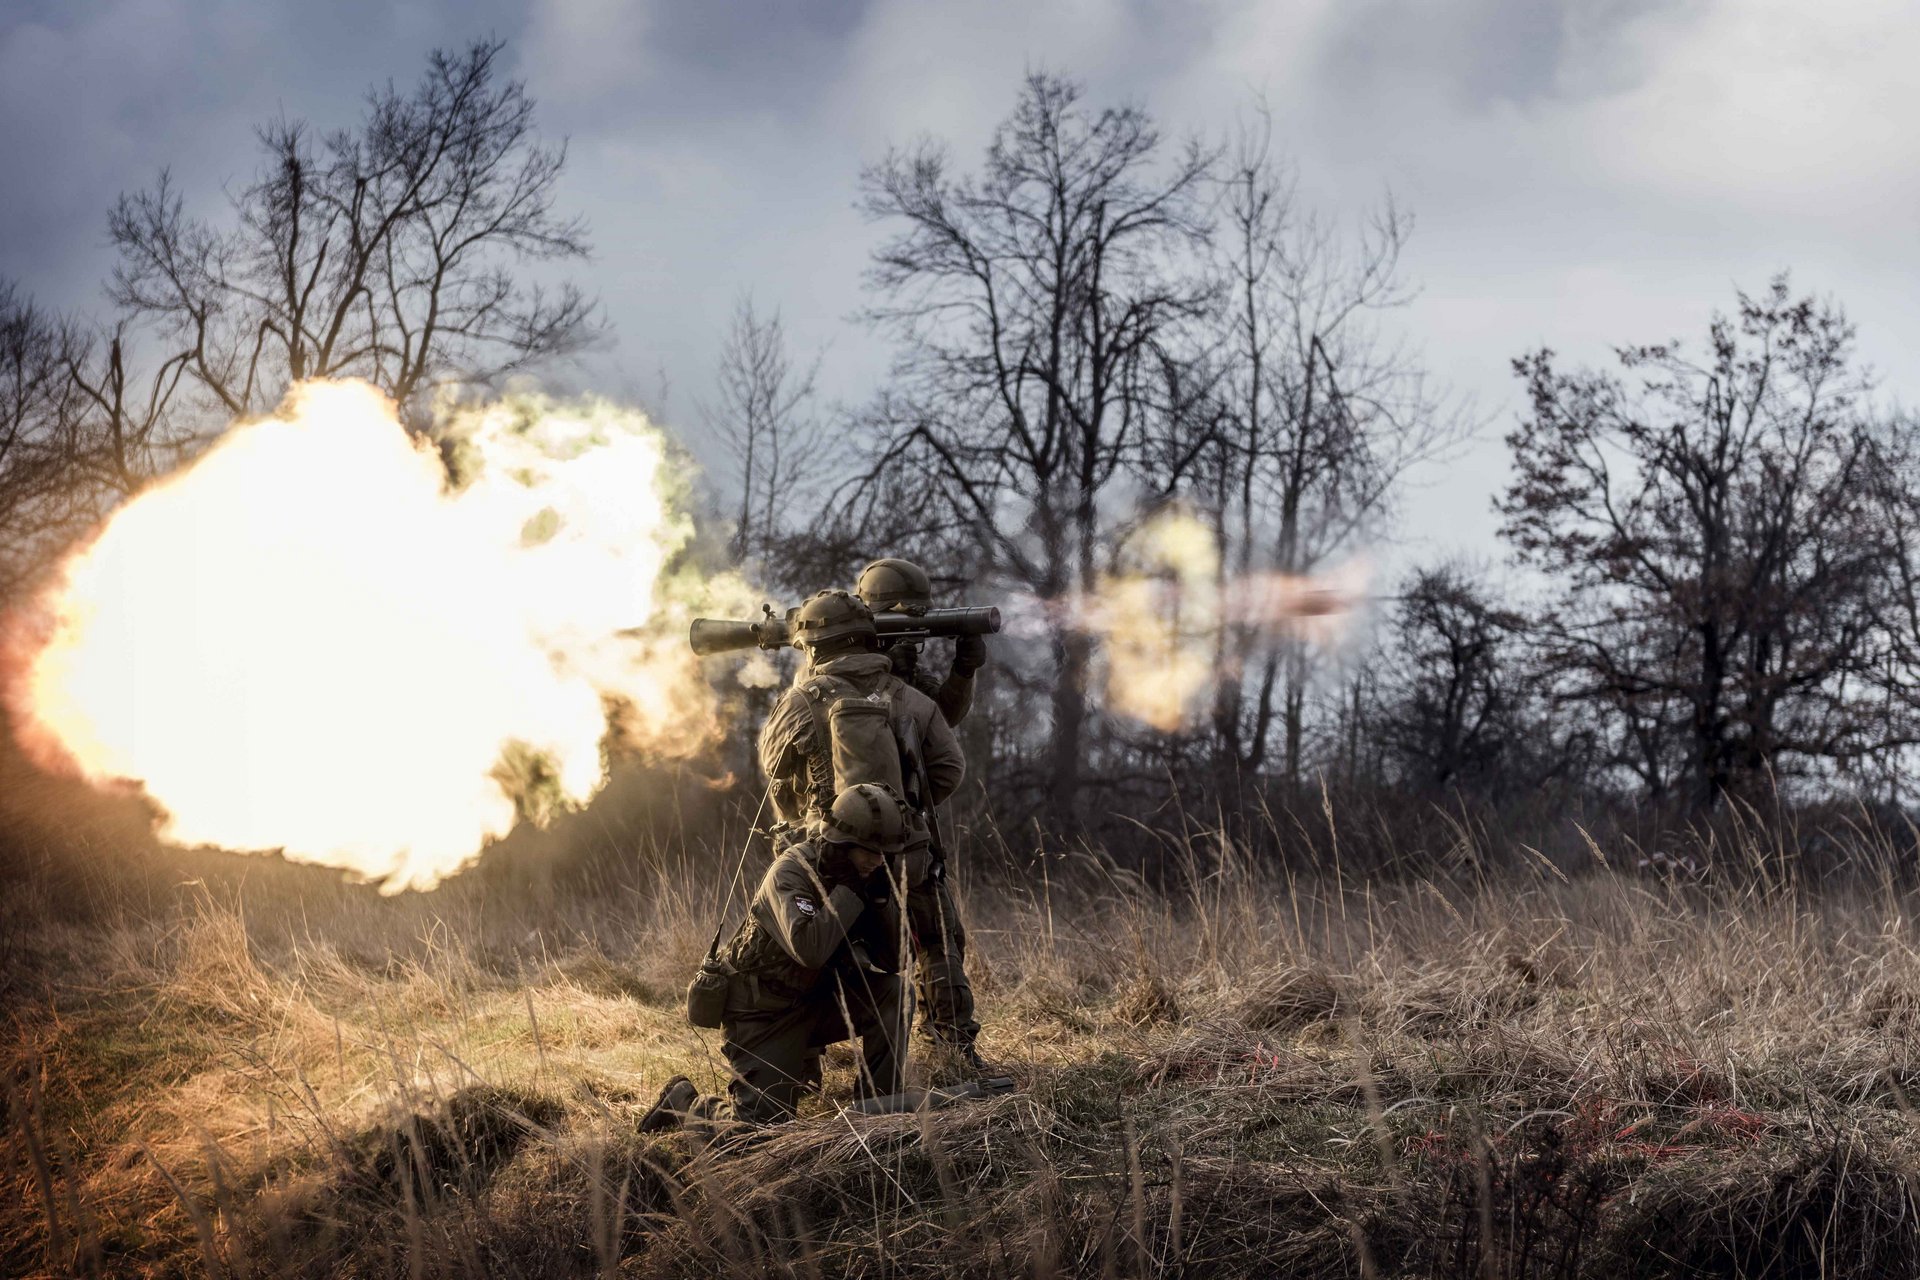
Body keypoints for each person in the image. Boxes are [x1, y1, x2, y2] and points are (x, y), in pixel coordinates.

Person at [759, 585, 985, 1069]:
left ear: (813, 648)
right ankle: (954, 1052)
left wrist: (816, 822)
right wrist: (898, 812)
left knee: (809, 950)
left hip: (828, 857)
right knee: (939, 942)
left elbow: (774, 772)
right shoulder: (909, 697)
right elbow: (949, 768)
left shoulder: (798, 701)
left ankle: (800, 1062)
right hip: (907, 854)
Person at [643, 784, 912, 1131]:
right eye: (869, 852)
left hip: (818, 1000)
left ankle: (878, 1112)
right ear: (842, 844)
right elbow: (810, 949)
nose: (878, 861)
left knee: (896, 993)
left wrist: (881, 904)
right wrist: (849, 894)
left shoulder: (866, 878)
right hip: (764, 1014)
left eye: (884, 854)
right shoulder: (791, 873)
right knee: (759, 1134)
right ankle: (683, 1102)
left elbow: (897, 960)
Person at [855, 558, 987, 726]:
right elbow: (854, 724)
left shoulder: (908, 667)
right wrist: (887, 674)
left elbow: (943, 717)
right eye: (902, 616)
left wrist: (964, 670)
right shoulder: (842, 663)